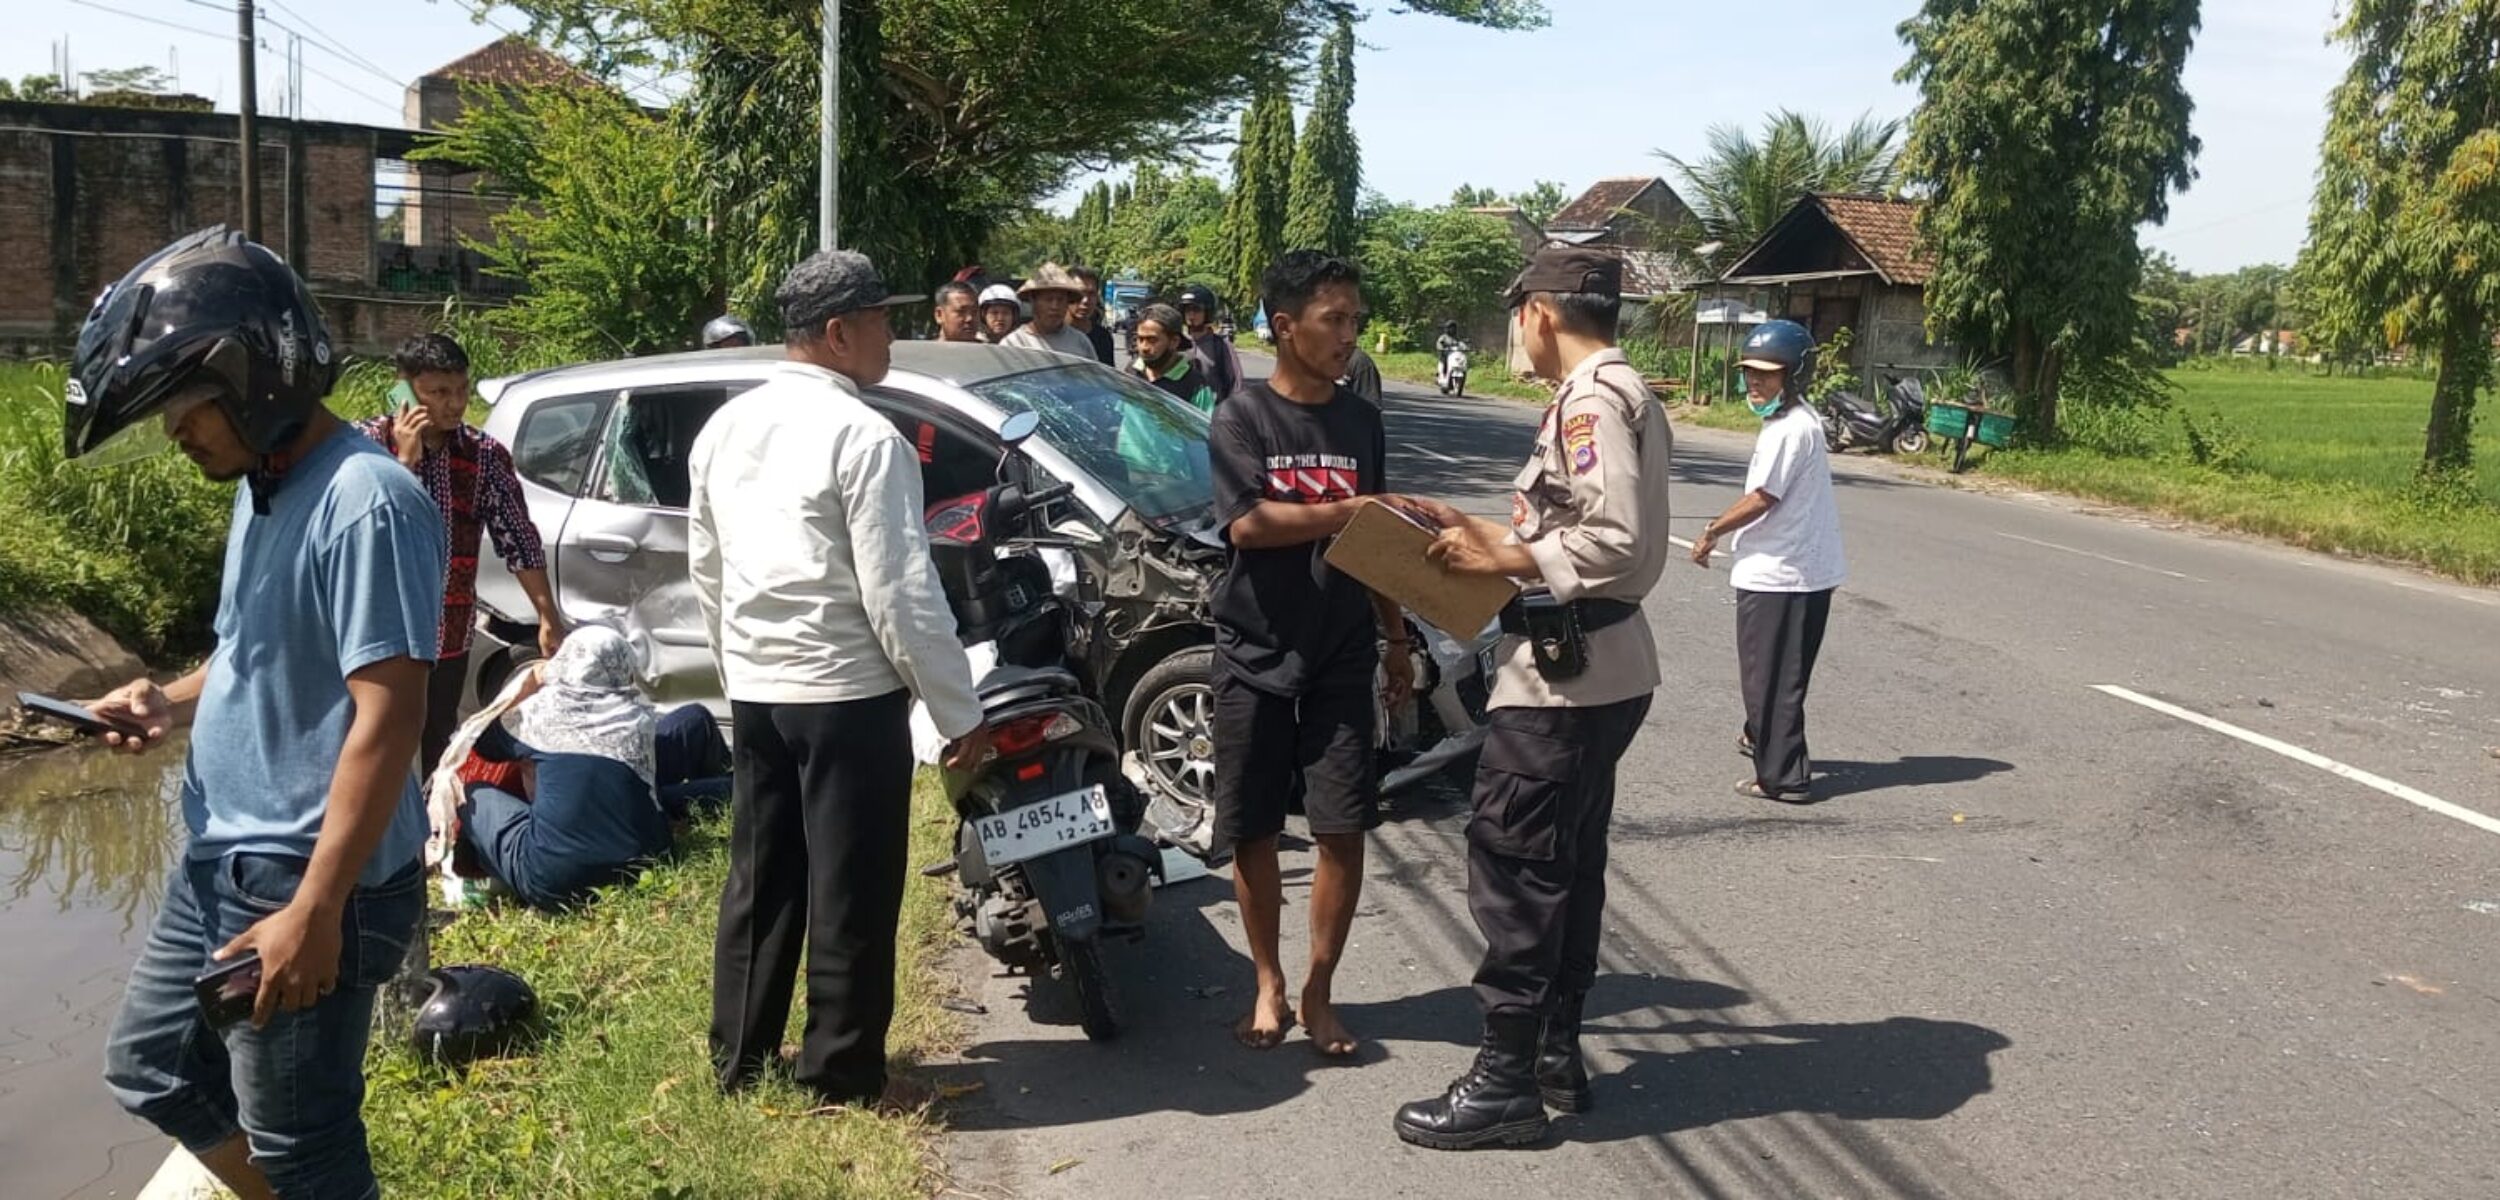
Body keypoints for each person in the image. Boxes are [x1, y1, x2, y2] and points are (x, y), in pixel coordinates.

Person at [76, 228, 445, 1199]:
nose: (174, 432)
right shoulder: (264, 489)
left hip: (303, 875)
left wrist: (314, 912)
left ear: (255, 378)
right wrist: (167, 696)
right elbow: (250, 651)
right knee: (151, 1068)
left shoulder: (366, 499)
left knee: (304, 1144)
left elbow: (389, 719)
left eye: (185, 407)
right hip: (222, 862)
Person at [688, 248, 993, 1108]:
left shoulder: (726, 426)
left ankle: (737, 1060)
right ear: (837, 332)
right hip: (847, 694)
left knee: (762, 877)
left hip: (758, 689)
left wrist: (736, 669)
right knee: (850, 888)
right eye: (881, 321)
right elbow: (900, 591)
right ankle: (842, 1075)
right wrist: (955, 709)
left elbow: (705, 569)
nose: (891, 337)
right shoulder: (866, 436)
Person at [1392, 245, 1673, 1151]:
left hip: (1565, 675)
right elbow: (1575, 522)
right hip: (1601, 666)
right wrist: (1479, 532)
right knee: (1567, 864)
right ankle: (1555, 1052)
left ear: (1540, 313)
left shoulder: (1591, 398)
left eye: (1516, 313)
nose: (1515, 330)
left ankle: (1506, 1081)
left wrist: (1506, 558)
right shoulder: (1620, 391)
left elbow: (1613, 539)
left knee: (1517, 868)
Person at [1206, 250, 1414, 1057]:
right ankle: (1267, 982)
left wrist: (1395, 638)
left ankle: (1319, 990)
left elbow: (1378, 537)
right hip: (1252, 647)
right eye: (1335, 320)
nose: (1349, 336)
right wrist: (1347, 508)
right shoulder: (1241, 416)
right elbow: (1248, 526)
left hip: (1340, 650)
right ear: (1284, 326)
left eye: (1355, 320)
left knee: (1342, 826)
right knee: (1254, 827)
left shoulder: (1360, 420)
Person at [360, 333, 564, 775]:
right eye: (438, 393)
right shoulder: (366, 447)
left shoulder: (483, 456)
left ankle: (432, 839)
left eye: (461, 390)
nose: (454, 404)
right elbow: (368, 531)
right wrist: (405, 465)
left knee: (437, 751)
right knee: (375, 752)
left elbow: (519, 539)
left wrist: (548, 614)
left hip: (448, 639)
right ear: (404, 390)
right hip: (379, 638)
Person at [1689, 318, 1846, 803]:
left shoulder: (1787, 431)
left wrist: (1712, 529)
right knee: (1781, 672)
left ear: (1794, 376)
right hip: (1804, 570)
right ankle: (1761, 737)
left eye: (1768, 375)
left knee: (1769, 676)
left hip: (1782, 572)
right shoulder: (1799, 420)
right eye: (1750, 374)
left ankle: (1782, 777)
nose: (1755, 383)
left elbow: (1763, 497)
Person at [446, 628, 681, 911]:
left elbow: (482, 744)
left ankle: (485, 875)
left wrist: (531, 683)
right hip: (647, 864)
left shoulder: (538, 714)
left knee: (469, 793)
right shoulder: (637, 718)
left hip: (555, 880)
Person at [1130, 303, 1216, 413]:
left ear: (1174, 341)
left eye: (1152, 340)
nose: (1144, 347)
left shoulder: (1194, 384)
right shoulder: (1131, 371)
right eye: (1140, 339)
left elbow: (1206, 426)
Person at [1001, 263, 1097, 358]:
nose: (1054, 306)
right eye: (1048, 299)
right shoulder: (1014, 343)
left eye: (1060, 300)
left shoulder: (1080, 342)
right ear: (1033, 301)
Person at [1178, 282, 1243, 403]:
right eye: (1187, 310)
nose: (1191, 315)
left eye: (1196, 310)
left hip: (1212, 416)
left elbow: (1236, 385)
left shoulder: (1221, 346)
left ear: (1207, 312)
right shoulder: (1176, 344)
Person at [1069, 265, 1117, 364]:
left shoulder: (1103, 338)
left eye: (1091, 294)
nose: (1086, 300)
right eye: (1080, 293)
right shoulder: (1051, 334)